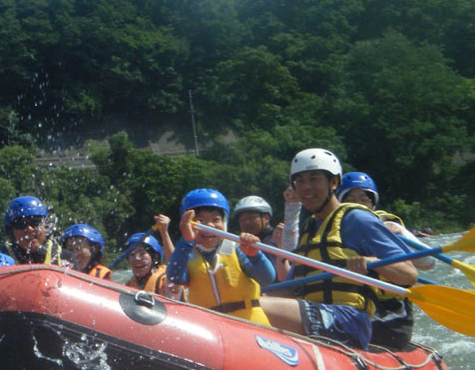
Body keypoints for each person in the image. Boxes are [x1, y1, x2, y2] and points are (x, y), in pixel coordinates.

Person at [256, 150, 418, 350]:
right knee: (244, 303)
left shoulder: (356, 219)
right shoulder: (309, 228)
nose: (306, 187)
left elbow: (409, 275)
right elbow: (291, 285)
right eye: (300, 181)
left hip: (347, 320)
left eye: (314, 179)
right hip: (313, 313)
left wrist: (372, 263)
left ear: (333, 183)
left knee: (256, 307)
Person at [336, 171, 434, 349]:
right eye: (350, 199)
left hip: (389, 314)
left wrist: (399, 231)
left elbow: (428, 262)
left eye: (363, 199)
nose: (358, 204)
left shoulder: (383, 226)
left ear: (372, 203)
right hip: (350, 309)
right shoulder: (330, 230)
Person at [165, 188, 275, 324]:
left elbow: (268, 278)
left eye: (216, 219)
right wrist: (186, 240)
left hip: (249, 324)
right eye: (201, 220)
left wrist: (256, 256)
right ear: (189, 224)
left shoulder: (238, 248)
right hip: (212, 328)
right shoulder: (186, 253)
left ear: (224, 222)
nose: (209, 225)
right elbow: (174, 277)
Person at [3, 196, 62, 265]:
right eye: (21, 224)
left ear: (45, 226)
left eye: (35, 222)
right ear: (11, 231)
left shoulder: (62, 256)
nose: (29, 229)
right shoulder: (1, 258)